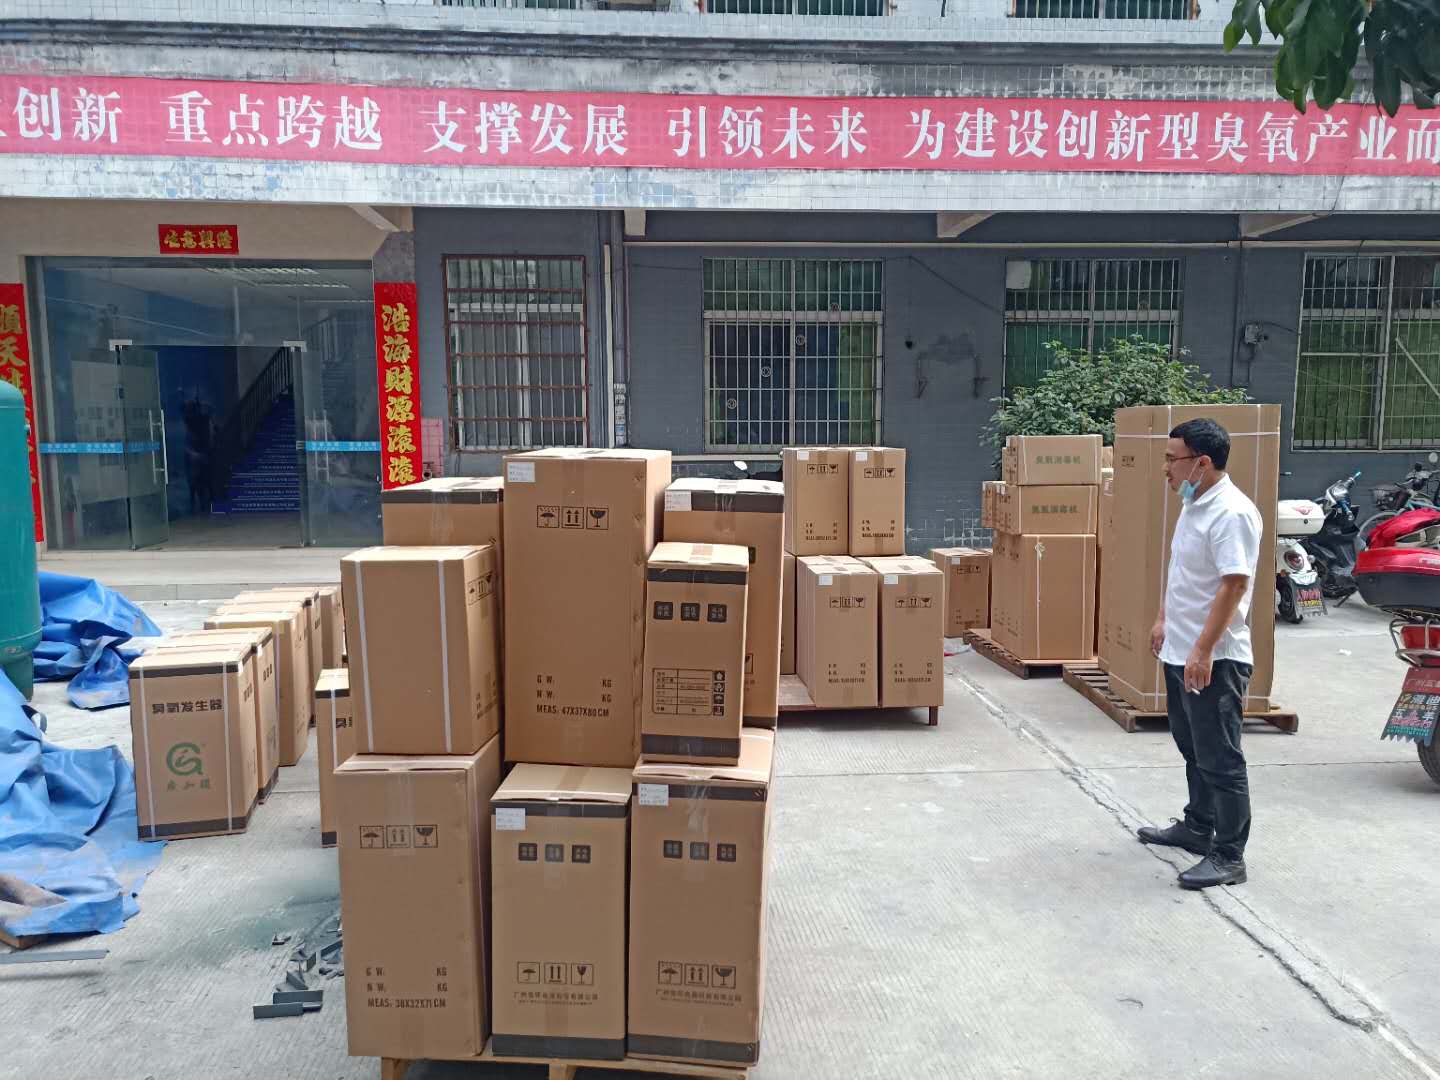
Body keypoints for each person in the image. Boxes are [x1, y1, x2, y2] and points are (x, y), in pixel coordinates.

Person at [1137, 418, 1263, 890]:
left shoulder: (1232, 513)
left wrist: (1204, 649)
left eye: (1172, 459)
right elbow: (1182, 571)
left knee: (1220, 758)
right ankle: (1197, 827)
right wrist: (1163, 618)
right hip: (1181, 649)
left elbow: (1234, 585)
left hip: (1215, 658)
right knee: (1193, 747)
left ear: (1202, 463)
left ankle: (1229, 855)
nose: (1166, 468)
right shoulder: (1194, 504)